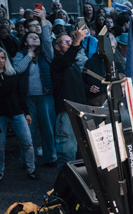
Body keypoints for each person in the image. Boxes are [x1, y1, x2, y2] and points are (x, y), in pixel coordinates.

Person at [13, 19, 56, 167]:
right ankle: (29, 161)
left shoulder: (46, 54)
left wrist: (43, 21)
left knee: (48, 128)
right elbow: (18, 70)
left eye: (37, 37)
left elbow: (47, 41)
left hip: (46, 96)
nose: (35, 38)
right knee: (29, 130)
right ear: (25, 42)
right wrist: (29, 56)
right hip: (27, 98)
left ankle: (51, 158)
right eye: (31, 37)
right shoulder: (20, 54)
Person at [51, 25, 90, 163]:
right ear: (57, 47)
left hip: (80, 111)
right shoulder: (56, 63)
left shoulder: (74, 65)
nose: (69, 43)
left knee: (82, 153)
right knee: (66, 154)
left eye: (70, 41)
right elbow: (66, 60)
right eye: (65, 42)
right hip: (66, 113)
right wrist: (76, 41)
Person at [0, 48, 37, 181]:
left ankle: (31, 170)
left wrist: (26, 112)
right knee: (0, 146)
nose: (0, 61)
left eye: (3, 58)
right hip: (1, 115)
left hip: (17, 112)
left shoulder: (12, 73)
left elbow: (20, 93)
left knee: (27, 142)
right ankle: (0, 172)